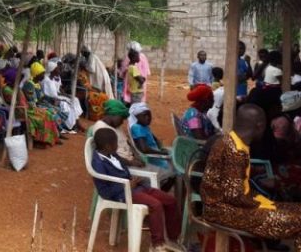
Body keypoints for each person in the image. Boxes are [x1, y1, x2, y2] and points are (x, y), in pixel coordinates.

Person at [201, 104, 301, 250]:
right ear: (260, 126)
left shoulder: (232, 142)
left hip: (229, 207)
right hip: (223, 212)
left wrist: (263, 202)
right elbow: (234, 195)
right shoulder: (235, 151)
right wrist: (264, 204)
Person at [91, 128, 181, 252]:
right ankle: (157, 244)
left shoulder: (110, 154)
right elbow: (105, 192)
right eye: (116, 144)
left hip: (135, 187)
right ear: (108, 145)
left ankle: (172, 239)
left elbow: (123, 168)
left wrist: (133, 178)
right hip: (122, 194)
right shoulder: (98, 163)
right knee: (155, 205)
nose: (117, 146)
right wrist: (128, 185)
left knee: (170, 200)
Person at [94, 100, 175, 184]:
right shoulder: (102, 129)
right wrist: (131, 162)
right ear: (113, 114)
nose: (122, 122)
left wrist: (137, 156)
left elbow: (127, 143)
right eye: (121, 118)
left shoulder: (115, 126)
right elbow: (110, 157)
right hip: (123, 167)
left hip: (131, 162)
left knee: (167, 171)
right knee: (167, 173)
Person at [21, 62, 63, 144]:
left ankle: (56, 134)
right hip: (32, 108)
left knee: (57, 109)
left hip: (38, 104)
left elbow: (42, 96)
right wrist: (45, 104)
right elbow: (33, 101)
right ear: (36, 74)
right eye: (42, 74)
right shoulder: (29, 85)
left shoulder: (36, 84)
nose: (43, 76)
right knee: (50, 112)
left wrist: (52, 99)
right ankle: (47, 138)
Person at [42, 60, 84, 130]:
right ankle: (71, 125)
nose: (59, 70)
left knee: (73, 100)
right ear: (52, 70)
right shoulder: (46, 80)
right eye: (57, 69)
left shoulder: (51, 79)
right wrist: (62, 98)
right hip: (51, 100)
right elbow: (48, 94)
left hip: (57, 97)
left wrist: (66, 95)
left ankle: (75, 123)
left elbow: (57, 91)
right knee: (67, 104)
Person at [129, 102, 170, 168]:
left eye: (149, 115)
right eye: (144, 115)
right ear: (136, 116)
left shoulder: (145, 126)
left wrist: (161, 149)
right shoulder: (137, 128)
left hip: (156, 155)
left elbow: (155, 140)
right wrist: (162, 153)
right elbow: (144, 149)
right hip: (151, 158)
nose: (147, 117)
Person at [207, 67, 225, 133]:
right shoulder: (215, 85)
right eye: (222, 73)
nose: (223, 75)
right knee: (220, 129)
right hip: (217, 106)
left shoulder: (219, 82)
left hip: (218, 106)